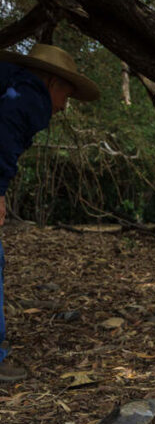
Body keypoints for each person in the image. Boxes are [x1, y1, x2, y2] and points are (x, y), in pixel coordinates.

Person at [0, 43, 99, 382]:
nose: (63, 107)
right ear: (51, 82)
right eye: (65, 97)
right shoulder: (29, 96)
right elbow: (2, 139)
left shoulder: (8, 82)